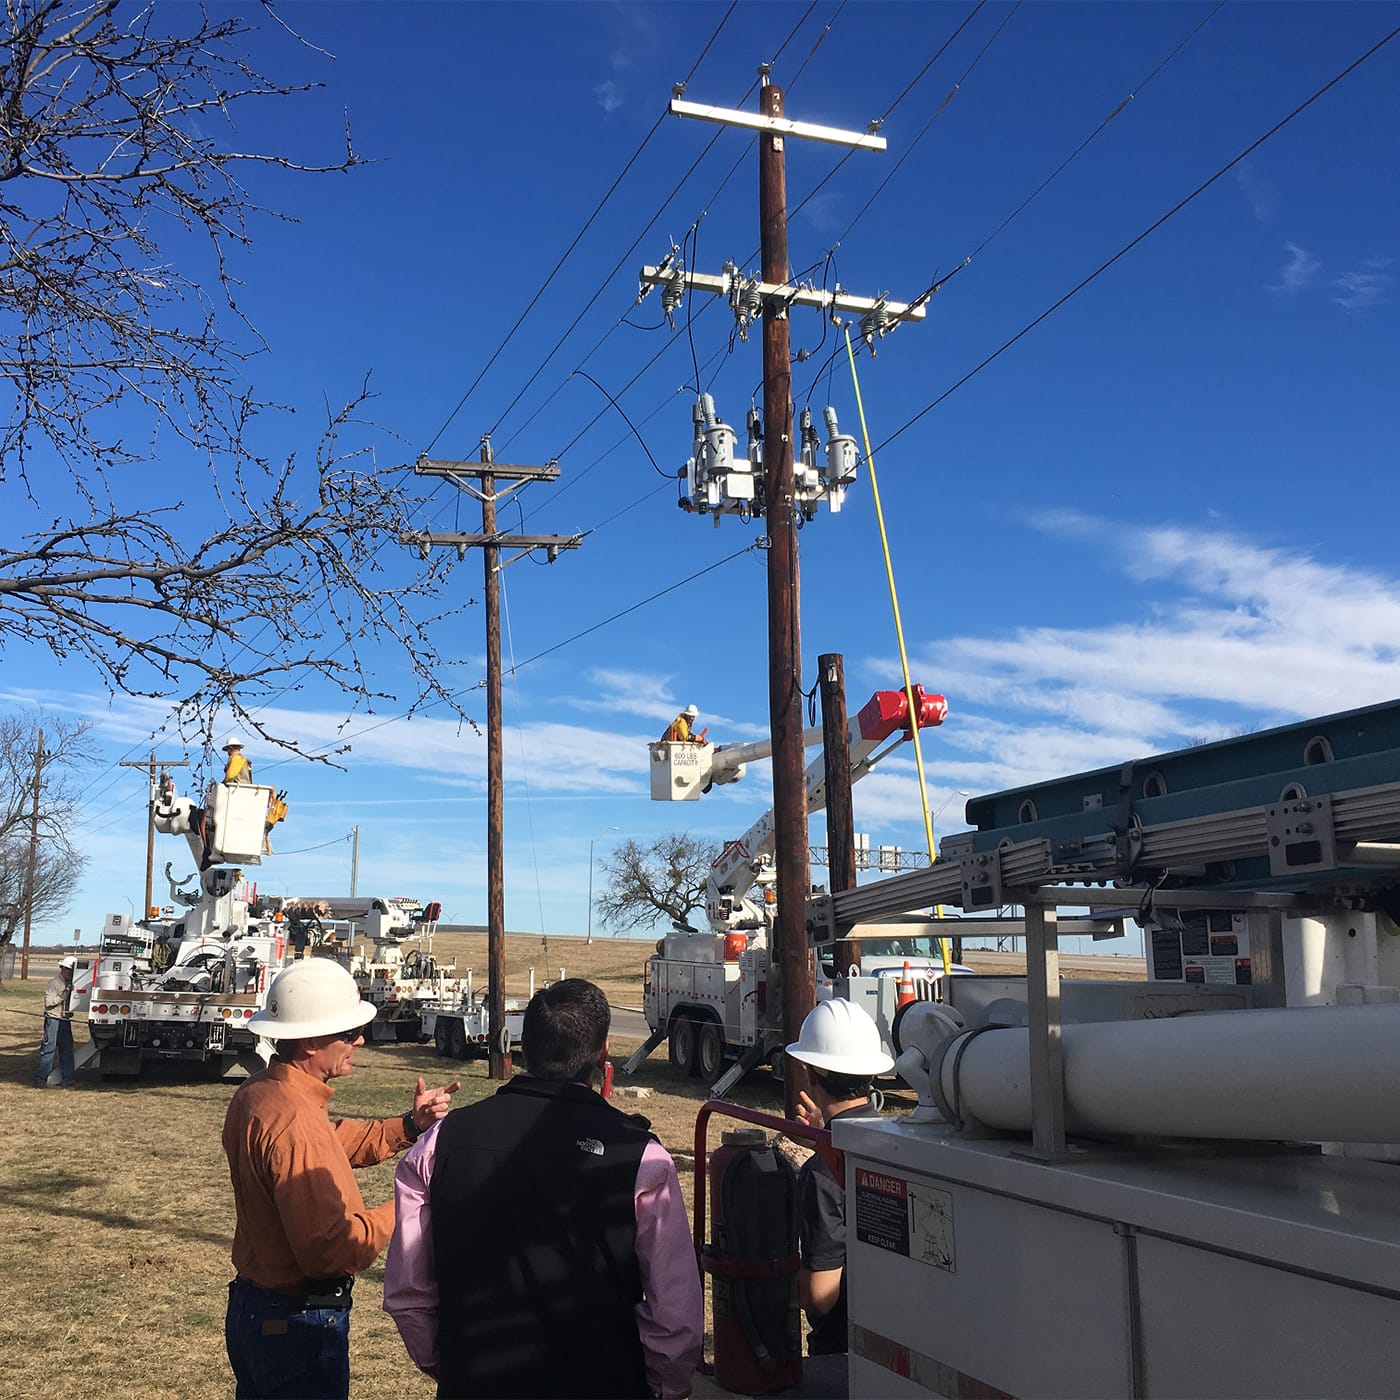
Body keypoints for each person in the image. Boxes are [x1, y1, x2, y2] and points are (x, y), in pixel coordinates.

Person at [384, 978, 703, 1399]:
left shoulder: (440, 1144)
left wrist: (452, 1365)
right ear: (602, 1053)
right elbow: (675, 1318)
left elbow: (410, 1293)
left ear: (522, 1049)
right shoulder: (643, 1158)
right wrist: (664, 1388)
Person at [223, 958, 460, 1400]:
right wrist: (409, 1208)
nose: (360, 1040)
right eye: (348, 1033)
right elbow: (330, 1254)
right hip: (297, 1323)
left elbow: (333, 1143)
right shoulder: (294, 1120)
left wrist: (411, 1124)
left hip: (257, 1310)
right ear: (311, 1041)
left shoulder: (262, 1093)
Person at [785, 998, 893, 1357]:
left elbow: (820, 1297)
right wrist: (822, 1134)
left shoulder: (822, 1174)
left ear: (810, 1072)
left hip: (842, 1353)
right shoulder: (899, 1144)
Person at [33, 955, 78, 1088]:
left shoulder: (70, 984)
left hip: (64, 1019)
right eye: (69, 970)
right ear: (63, 969)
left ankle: (68, 1079)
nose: (71, 973)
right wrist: (62, 997)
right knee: (49, 1050)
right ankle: (40, 1079)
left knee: (67, 1050)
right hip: (53, 1019)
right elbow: (49, 1003)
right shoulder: (54, 983)